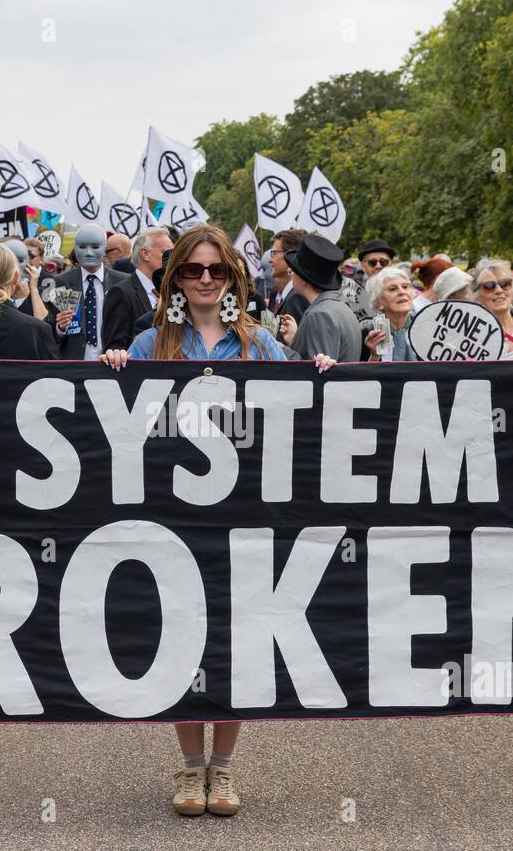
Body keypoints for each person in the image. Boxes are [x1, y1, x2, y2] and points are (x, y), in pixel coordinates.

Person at [98, 224, 336, 818]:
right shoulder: (152, 345)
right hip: (173, 521)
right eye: (192, 270)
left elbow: (301, 404)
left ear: (233, 276)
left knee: (237, 639)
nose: (205, 280)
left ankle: (223, 770)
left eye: (216, 270)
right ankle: (188, 766)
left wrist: (324, 372)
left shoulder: (260, 347)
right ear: (175, 277)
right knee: (179, 634)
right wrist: (112, 366)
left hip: (245, 520)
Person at [276, 235, 362, 363]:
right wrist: (295, 339)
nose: (291, 275)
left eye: (293, 271)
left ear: (303, 279)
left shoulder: (321, 314)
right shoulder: (336, 306)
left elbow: (317, 373)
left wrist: (278, 347)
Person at [49, 225, 131, 360]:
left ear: (105, 248)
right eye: (82, 247)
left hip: (113, 364)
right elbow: (48, 331)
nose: (88, 253)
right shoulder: (60, 283)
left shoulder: (123, 282)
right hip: (73, 365)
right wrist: (60, 328)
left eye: (95, 247)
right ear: (75, 248)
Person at [106, 227, 173, 335]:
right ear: (145, 254)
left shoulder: (174, 289)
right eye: (165, 253)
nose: (171, 259)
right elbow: (116, 346)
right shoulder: (121, 292)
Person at [361, 267, 419, 361]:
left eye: (405, 287)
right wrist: (374, 356)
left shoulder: (423, 327)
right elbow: (357, 374)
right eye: (392, 289)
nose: (402, 292)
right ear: (378, 302)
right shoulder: (367, 332)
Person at [266, 228, 308, 322]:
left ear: (290, 255)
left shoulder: (297, 298)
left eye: (274, 253)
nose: (270, 260)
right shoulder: (279, 295)